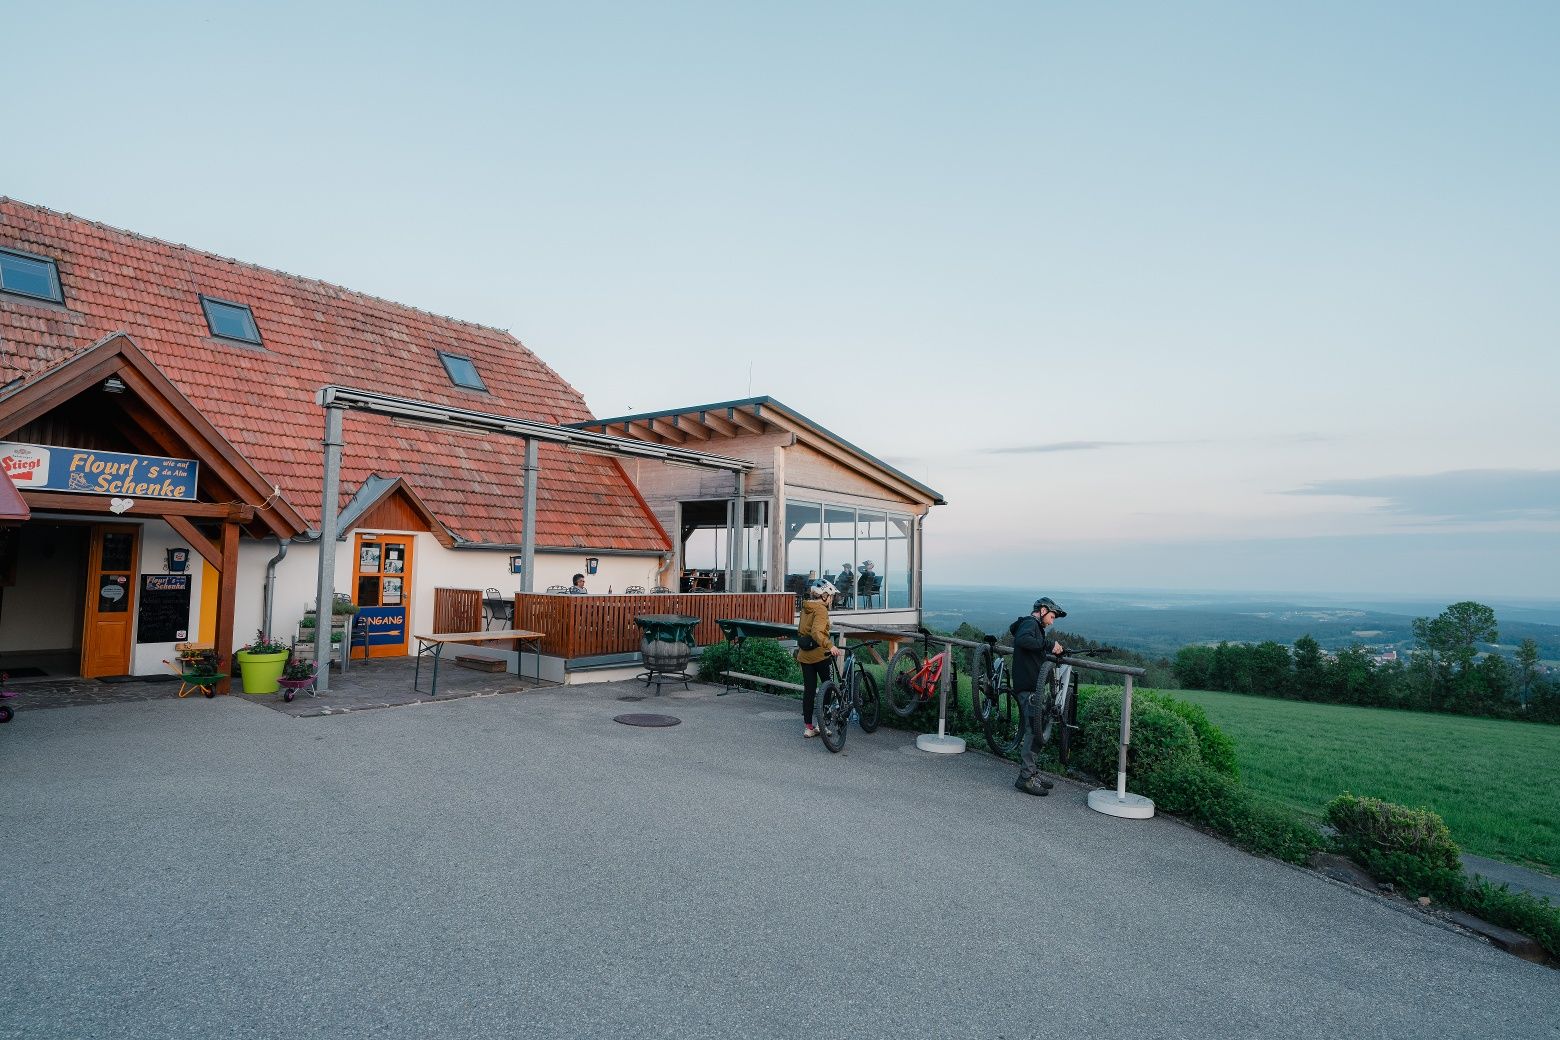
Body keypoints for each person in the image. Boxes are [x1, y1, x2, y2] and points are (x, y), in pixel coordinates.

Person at [1009, 596, 1067, 796]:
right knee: (1033, 731)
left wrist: (1051, 650)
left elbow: (1033, 648)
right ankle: (1025, 778)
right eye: (1052, 616)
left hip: (1031, 688)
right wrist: (1048, 645)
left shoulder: (1034, 627)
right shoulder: (1029, 623)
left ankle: (1031, 772)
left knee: (1037, 729)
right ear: (1042, 611)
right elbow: (1023, 640)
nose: (1052, 621)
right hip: (1028, 689)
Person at [797, 579, 845, 738]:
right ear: (824, 596)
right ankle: (823, 725)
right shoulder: (821, 609)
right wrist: (830, 645)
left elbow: (803, 630)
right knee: (828, 688)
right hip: (820, 655)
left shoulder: (806, 607)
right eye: (831, 596)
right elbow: (817, 632)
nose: (831, 599)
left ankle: (808, 727)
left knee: (809, 691)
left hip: (804, 655)